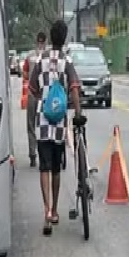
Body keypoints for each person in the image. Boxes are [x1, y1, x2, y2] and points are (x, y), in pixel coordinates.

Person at [27, 19, 81, 234]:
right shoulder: (67, 62)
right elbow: (74, 88)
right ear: (65, 38)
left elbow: (32, 89)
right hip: (59, 122)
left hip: (42, 119)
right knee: (57, 168)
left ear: (50, 37)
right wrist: (78, 113)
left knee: (44, 167)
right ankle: (56, 209)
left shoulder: (40, 60)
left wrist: (43, 96)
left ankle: (47, 212)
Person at [23, 32, 47, 168]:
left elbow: (25, 74)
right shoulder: (49, 56)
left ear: (36, 41)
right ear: (45, 42)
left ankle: (32, 155)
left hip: (32, 94)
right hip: (45, 95)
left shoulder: (30, 56)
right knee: (44, 125)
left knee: (31, 125)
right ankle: (45, 154)